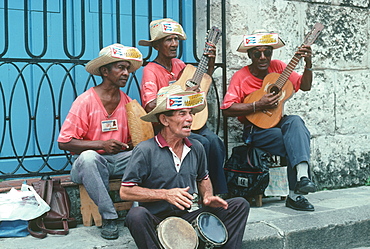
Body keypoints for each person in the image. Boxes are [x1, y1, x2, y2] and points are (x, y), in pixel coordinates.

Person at [120, 84, 249, 249]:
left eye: (190, 113)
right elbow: (125, 191)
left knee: (239, 205)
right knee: (136, 215)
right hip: (155, 219)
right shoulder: (145, 150)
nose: (189, 119)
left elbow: (203, 178)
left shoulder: (197, 147)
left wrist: (208, 196)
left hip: (186, 218)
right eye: (182, 113)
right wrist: (165, 194)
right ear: (164, 119)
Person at [221, 29, 316, 211]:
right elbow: (227, 109)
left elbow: (305, 86)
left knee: (295, 121)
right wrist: (258, 105)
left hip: (278, 123)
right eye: (258, 53)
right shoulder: (241, 77)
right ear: (250, 55)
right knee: (295, 142)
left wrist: (308, 63)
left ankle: (303, 177)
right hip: (256, 129)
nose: (263, 57)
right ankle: (296, 195)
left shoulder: (279, 67)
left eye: (268, 52)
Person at [57, 43, 143, 239]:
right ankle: (110, 217)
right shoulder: (85, 101)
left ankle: (139, 214)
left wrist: (128, 145)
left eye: (127, 68)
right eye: (120, 67)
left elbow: (135, 142)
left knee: (147, 152)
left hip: (119, 161)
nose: (126, 73)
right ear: (105, 71)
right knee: (88, 158)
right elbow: (64, 142)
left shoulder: (128, 102)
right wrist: (101, 145)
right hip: (90, 166)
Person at [139, 18, 228, 195]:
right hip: (169, 126)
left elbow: (203, 80)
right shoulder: (150, 70)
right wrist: (180, 96)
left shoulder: (180, 65)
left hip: (190, 122)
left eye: (176, 40)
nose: (174, 44)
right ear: (156, 45)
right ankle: (198, 192)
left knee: (216, 142)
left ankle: (219, 193)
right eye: (168, 40)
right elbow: (150, 105)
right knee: (201, 143)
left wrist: (210, 61)